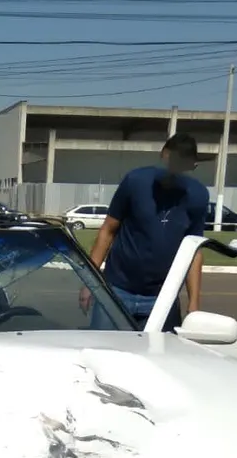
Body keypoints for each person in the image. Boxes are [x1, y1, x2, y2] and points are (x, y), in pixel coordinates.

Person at [88, 133, 209, 331]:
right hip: (117, 291)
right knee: (103, 353)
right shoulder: (135, 181)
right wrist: (91, 283)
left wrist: (194, 303)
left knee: (157, 358)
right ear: (163, 155)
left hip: (163, 299)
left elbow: (194, 251)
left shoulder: (198, 196)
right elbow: (108, 230)